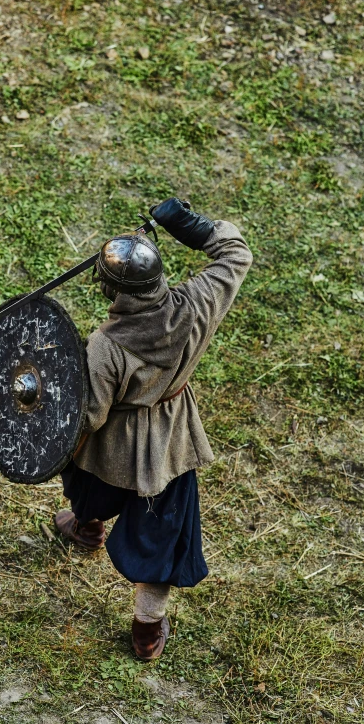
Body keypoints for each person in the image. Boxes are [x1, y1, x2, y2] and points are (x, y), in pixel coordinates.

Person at [54, 197, 253, 660]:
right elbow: (236, 253)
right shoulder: (199, 302)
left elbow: (90, 417)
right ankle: (146, 627)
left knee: (91, 480)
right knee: (160, 524)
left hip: (114, 443)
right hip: (171, 441)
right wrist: (189, 225)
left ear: (111, 289)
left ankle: (88, 529)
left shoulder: (106, 347)